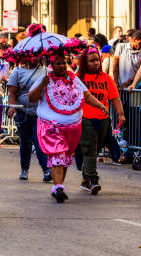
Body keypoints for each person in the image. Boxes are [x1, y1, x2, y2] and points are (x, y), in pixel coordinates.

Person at [28, 53, 108, 203]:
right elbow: (31, 98)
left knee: (64, 158)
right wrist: (42, 84)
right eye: (58, 63)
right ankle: (58, 187)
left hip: (72, 127)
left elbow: (86, 95)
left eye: (64, 63)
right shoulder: (44, 79)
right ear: (51, 65)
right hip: (51, 126)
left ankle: (59, 187)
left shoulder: (73, 78)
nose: (63, 66)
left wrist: (100, 105)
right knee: (57, 155)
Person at [77, 48, 126, 194]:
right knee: (90, 148)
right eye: (92, 61)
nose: (96, 63)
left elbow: (115, 98)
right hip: (84, 119)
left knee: (96, 149)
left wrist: (121, 114)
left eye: (97, 60)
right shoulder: (78, 78)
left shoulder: (106, 78)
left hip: (103, 119)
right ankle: (93, 179)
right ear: (85, 63)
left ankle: (85, 179)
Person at [6, 57, 51, 182]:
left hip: (40, 112)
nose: (34, 58)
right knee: (26, 141)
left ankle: (47, 170)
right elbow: (12, 93)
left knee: (39, 140)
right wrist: (12, 107)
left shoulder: (46, 71)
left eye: (36, 55)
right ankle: (24, 169)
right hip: (22, 112)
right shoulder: (17, 72)